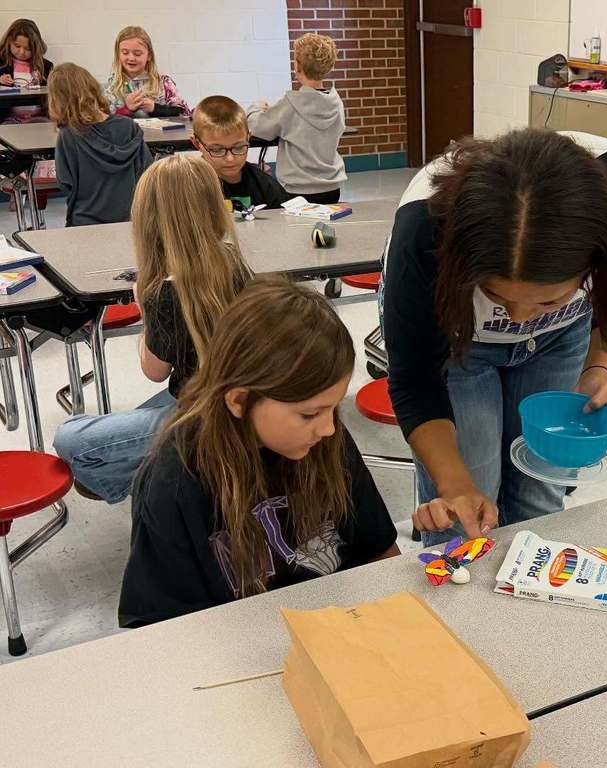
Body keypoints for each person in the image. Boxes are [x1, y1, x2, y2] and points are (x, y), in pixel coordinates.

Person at [381, 129, 607, 546]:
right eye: (496, 295)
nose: (518, 317)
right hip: (456, 343)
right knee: (468, 510)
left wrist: (597, 370)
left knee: (541, 490)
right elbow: (415, 381)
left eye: (545, 301)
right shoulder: (424, 233)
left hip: (562, 337)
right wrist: (455, 486)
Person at [119, 278, 400, 627]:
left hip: (340, 631)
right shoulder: (175, 480)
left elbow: (380, 553)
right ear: (239, 400)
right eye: (310, 413)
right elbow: (157, 630)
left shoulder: (323, 439)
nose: (329, 428)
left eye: (333, 409)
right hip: (236, 653)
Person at [53, 155, 252, 502]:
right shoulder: (232, 259)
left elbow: (154, 371)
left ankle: (176, 472)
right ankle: (180, 464)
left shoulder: (164, 292)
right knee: (130, 428)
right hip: (232, 396)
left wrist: (143, 304)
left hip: (203, 410)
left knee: (70, 438)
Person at [247, 32, 347, 204]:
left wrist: (256, 108)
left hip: (298, 190)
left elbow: (260, 127)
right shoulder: (336, 102)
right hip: (332, 188)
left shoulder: (291, 103)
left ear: (297, 66)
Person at [49, 63, 152, 226]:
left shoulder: (68, 135)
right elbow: (147, 171)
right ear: (93, 88)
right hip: (129, 219)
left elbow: (65, 182)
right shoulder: (129, 126)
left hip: (85, 221)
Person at [192, 95, 292, 210]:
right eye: (217, 150)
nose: (230, 158)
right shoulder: (188, 187)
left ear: (248, 138)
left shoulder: (266, 186)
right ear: (196, 143)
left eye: (239, 147)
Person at [104, 26, 190, 118]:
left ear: (149, 55)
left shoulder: (163, 83)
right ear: (118, 54)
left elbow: (182, 112)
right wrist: (127, 109)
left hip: (158, 132)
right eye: (125, 53)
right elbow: (104, 120)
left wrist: (154, 108)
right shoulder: (112, 85)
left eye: (137, 54)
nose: (131, 58)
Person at [0, 18, 51, 122]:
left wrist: (44, 82)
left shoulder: (46, 66)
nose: (22, 52)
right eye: (17, 46)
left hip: (39, 117)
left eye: (28, 48)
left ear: (36, 47)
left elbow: (53, 96)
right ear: (9, 42)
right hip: (8, 117)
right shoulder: (1, 63)